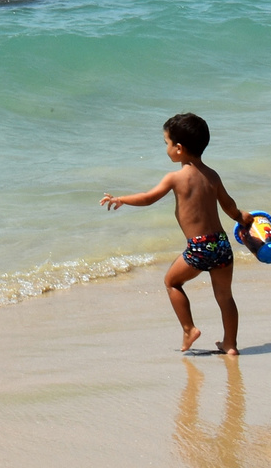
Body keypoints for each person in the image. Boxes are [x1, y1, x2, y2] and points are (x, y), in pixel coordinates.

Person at [101, 113, 252, 355]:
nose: (167, 148)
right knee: (225, 296)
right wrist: (241, 217)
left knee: (172, 282)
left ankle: (189, 328)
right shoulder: (212, 175)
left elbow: (149, 198)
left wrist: (121, 199)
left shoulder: (176, 177)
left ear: (179, 148)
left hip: (200, 246)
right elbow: (228, 205)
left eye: (167, 143)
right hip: (221, 244)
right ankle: (231, 344)